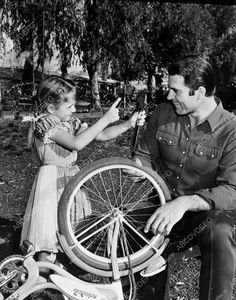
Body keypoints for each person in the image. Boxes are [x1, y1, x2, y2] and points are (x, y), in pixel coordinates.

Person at [134, 55, 236, 300]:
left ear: (199, 92)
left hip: (201, 214)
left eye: (175, 91)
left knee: (219, 230)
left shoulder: (231, 129)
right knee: (119, 226)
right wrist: (137, 167)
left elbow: (233, 190)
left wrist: (185, 203)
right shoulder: (162, 113)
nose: (169, 96)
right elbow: (144, 156)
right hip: (159, 206)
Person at [20, 75, 145, 269]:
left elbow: (101, 135)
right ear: (51, 107)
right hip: (53, 182)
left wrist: (128, 123)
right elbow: (76, 143)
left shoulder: (71, 123)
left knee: (69, 225)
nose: (74, 110)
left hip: (71, 178)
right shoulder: (44, 123)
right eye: (69, 106)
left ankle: (60, 270)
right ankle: (42, 272)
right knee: (49, 231)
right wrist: (104, 119)